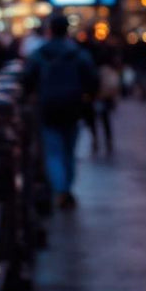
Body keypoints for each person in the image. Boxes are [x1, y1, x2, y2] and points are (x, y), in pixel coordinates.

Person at [23, 13, 98, 209]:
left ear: (49, 30)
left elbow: (27, 79)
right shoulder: (78, 53)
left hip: (48, 106)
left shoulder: (40, 53)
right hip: (73, 106)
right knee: (69, 150)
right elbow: (92, 79)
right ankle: (66, 187)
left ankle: (61, 189)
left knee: (54, 151)